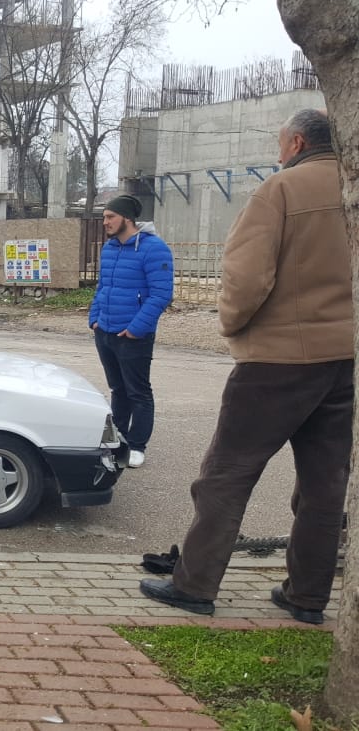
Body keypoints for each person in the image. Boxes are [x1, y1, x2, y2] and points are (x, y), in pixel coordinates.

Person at [139, 108, 352, 623]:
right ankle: (307, 598)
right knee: (325, 485)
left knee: (226, 475)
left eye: (281, 142)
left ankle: (194, 585)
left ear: (297, 143)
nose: (278, 151)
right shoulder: (351, 188)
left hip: (276, 360)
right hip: (346, 360)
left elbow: (246, 275)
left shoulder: (281, 190)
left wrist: (234, 327)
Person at [87, 193, 173, 469]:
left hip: (133, 336)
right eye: (104, 218)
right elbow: (103, 287)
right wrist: (95, 319)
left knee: (138, 392)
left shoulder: (154, 249)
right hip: (106, 332)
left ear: (126, 218)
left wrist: (136, 329)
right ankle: (117, 440)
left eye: (110, 217)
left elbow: (161, 295)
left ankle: (137, 446)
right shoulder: (110, 248)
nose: (105, 222)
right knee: (117, 389)